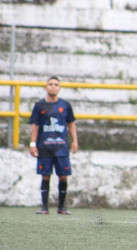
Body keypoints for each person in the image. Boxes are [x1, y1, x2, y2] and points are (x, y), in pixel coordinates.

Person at [29, 76, 78, 215]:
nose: (53, 86)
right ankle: (45, 207)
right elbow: (35, 125)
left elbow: (71, 124)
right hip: (44, 147)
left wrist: (75, 140)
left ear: (59, 87)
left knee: (63, 176)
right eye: (50, 84)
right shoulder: (39, 106)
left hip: (61, 148)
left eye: (56, 84)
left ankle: (61, 207)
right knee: (45, 176)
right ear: (46, 87)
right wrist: (33, 144)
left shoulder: (65, 105)